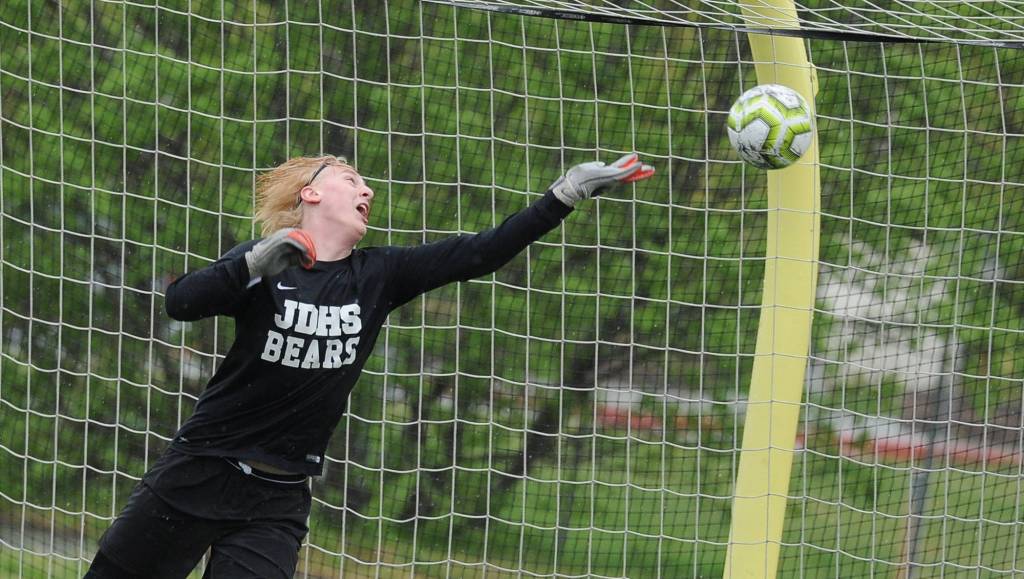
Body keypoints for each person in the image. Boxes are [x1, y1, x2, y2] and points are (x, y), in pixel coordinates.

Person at [85, 153, 654, 578]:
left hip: (276, 501)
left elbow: (484, 250)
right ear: (310, 195)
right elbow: (182, 303)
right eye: (351, 179)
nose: (369, 189)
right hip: (199, 472)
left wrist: (564, 195)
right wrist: (253, 265)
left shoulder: (378, 275)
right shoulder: (263, 261)